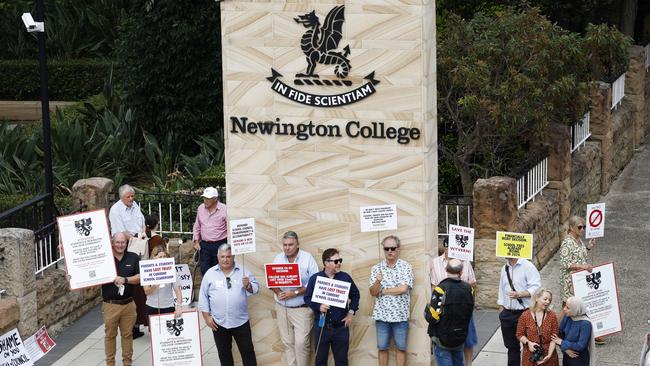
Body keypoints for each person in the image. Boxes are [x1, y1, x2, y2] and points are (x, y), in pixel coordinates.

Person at [199, 243, 259, 366]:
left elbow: (256, 289)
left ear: (233, 257)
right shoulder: (210, 274)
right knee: (224, 354)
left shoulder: (243, 271)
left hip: (240, 321)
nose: (225, 259)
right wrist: (207, 317)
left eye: (228, 256)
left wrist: (248, 286)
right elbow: (203, 297)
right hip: (219, 323)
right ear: (218, 257)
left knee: (248, 352)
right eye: (222, 257)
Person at [304, 248, 360, 366]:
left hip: (340, 328)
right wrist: (318, 306)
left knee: (342, 361)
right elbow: (307, 298)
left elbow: (355, 295)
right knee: (320, 361)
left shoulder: (345, 277)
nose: (339, 263)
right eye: (336, 261)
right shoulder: (315, 278)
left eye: (340, 260)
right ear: (326, 263)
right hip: (321, 327)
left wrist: (350, 312)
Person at [271, 231, 319, 366]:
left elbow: (314, 282)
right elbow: (272, 280)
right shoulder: (278, 258)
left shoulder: (307, 258)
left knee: (301, 344)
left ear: (297, 244)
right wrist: (278, 291)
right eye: (285, 245)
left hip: (302, 309)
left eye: (290, 245)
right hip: (282, 308)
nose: (287, 248)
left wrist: (296, 292)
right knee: (288, 344)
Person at [430, 236, 477, 365]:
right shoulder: (435, 262)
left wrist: (461, 288)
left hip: (462, 307)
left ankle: (468, 364)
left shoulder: (465, 261)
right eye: (446, 247)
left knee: (467, 339)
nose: (448, 250)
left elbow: (473, 283)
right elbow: (434, 285)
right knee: (445, 340)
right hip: (444, 309)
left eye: (451, 247)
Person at [109, 184, 147, 338]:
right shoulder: (116, 210)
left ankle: (139, 323)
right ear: (121, 197)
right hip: (128, 246)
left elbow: (142, 222)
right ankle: (131, 326)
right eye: (128, 197)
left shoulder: (135, 205)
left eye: (132, 196)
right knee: (132, 285)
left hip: (140, 243)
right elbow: (120, 232)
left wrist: (142, 235)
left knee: (142, 283)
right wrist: (134, 240)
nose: (131, 199)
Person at [369, 235, 413, 366]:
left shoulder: (406, 267)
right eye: (386, 248)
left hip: (400, 316)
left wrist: (383, 291)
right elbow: (372, 292)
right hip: (382, 317)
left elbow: (403, 288)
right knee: (382, 348)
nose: (389, 251)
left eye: (392, 248)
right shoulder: (376, 268)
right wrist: (378, 281)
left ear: (398, 248)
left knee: (401, 348)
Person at [559, 216, 603, 345]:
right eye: (579, 227)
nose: (582, 229)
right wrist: (583, 266)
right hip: (570, 281)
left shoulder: (578, 240)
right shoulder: (567, 242)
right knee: (567, 308)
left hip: (580, 280)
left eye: (584, 226)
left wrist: (588, 247)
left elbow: (580, 256)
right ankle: (556, 330)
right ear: (571, 228)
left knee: (580, 305)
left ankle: (591, 333)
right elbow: (565, 263)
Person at [101, 232, 140, 366]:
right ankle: (110, 363)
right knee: (110, 336)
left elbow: (140, 277)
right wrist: (72, 277)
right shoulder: (104, 259)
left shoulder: (133, 257)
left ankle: (127, 363)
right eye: (117, 242)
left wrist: (125, 279)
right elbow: (89, 277)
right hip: (110, 305)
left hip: (129, 304)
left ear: (126, 243)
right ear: (112, 243)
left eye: (123, 242)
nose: (120, 245)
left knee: (127, 335)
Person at [497, 257, 541, 366]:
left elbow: (537, 286)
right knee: (512, 347)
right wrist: (501, 310)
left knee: (530, 345)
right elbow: (501, 289)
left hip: (524, 312)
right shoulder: (505, 267)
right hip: (507, 314)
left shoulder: (528, 266)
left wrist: (520, 294)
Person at [516, 288, 560, 366]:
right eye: (545, 299)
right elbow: (519, 334)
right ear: (536, 298)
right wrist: (528, 343)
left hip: (549, 356)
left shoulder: (552, 316)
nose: (547, 302)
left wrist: (549, 355)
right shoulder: (525, 315)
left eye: (549, 300)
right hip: (530, 355)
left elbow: (554, 338)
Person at [192, 186, 228, 275]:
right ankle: (207, 288)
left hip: (220, 244)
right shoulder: (201, 208)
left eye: (208, 198)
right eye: (204, 198)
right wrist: (196, 241)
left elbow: (229, 227)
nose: (205, 200)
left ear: (215, 199)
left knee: (219, 270)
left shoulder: (224, 209)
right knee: (204, 270)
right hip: (205, 245)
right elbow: (197, 225)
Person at [551, 296, 596, 366]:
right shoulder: (568, 316)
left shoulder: (585, 324)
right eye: (565, 306)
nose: (564, 309)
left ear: (576, 309)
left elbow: (580, 346)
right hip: (567, 355)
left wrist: (562, 343)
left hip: (579, 358)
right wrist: (565, 350)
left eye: (568, 308)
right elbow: (558, 334)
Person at [142, 246, 183, 319]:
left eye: (164, 256)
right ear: (154, 257)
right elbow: (146, 292)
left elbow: (178, 291)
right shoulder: (147, 269)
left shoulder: (171, 270)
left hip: (168, 306)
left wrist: (179, 306)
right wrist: (155, 285)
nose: (163, 259)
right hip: (152, 306)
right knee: (152, 330)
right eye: (160, 257)